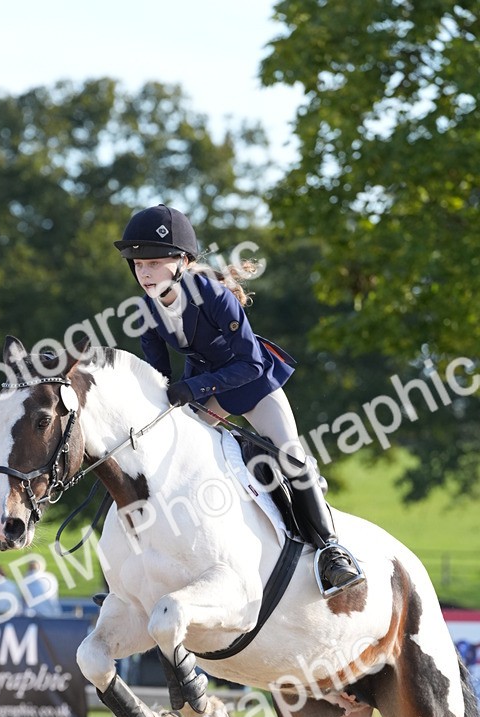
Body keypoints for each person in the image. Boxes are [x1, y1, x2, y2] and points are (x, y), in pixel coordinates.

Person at [114, 203, 363, 597]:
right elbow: (158, 375)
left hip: (252, 384)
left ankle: (332, 552)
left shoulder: (213, 297)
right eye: (138, 264)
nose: (144, 273)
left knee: (291, 456)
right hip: (207, 391)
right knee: (169, 459)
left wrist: (194, 389)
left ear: (182, 262)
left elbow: (251, 364)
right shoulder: (145, 311)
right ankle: (153, 561)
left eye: (154, 263)